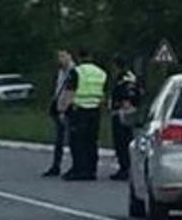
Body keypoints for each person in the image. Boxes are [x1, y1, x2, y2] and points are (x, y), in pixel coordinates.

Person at [59, 49, 107, 182]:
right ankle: (91, 170)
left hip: (79, 111)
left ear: (79, 58)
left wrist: (63, 109)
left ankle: (79, 169)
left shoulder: (77, 72)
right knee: (92, 141)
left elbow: (70, 92)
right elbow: (103, 94)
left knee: (77, 142)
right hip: (95, 111)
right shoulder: (101, 73)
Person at [42, 49, 74, 177]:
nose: (61, 59)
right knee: (59, 138)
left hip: (68, 108)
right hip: (59, 106)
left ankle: (75, 165)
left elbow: (70, 92)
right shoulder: (61, 71)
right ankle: (56, 165)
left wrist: (64, 109)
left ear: (70, 56)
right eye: (59, 56)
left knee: (71, 138)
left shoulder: (73, 72)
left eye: (63, 56)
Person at [109, 56, 139, 181]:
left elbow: (126, 96)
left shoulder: (123, 79)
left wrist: (122, 109)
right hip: (129, 112)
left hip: (122, 113)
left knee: (122, 142)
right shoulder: (131, 77)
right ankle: (127, 167)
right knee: (126, 141)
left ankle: (125, 168)